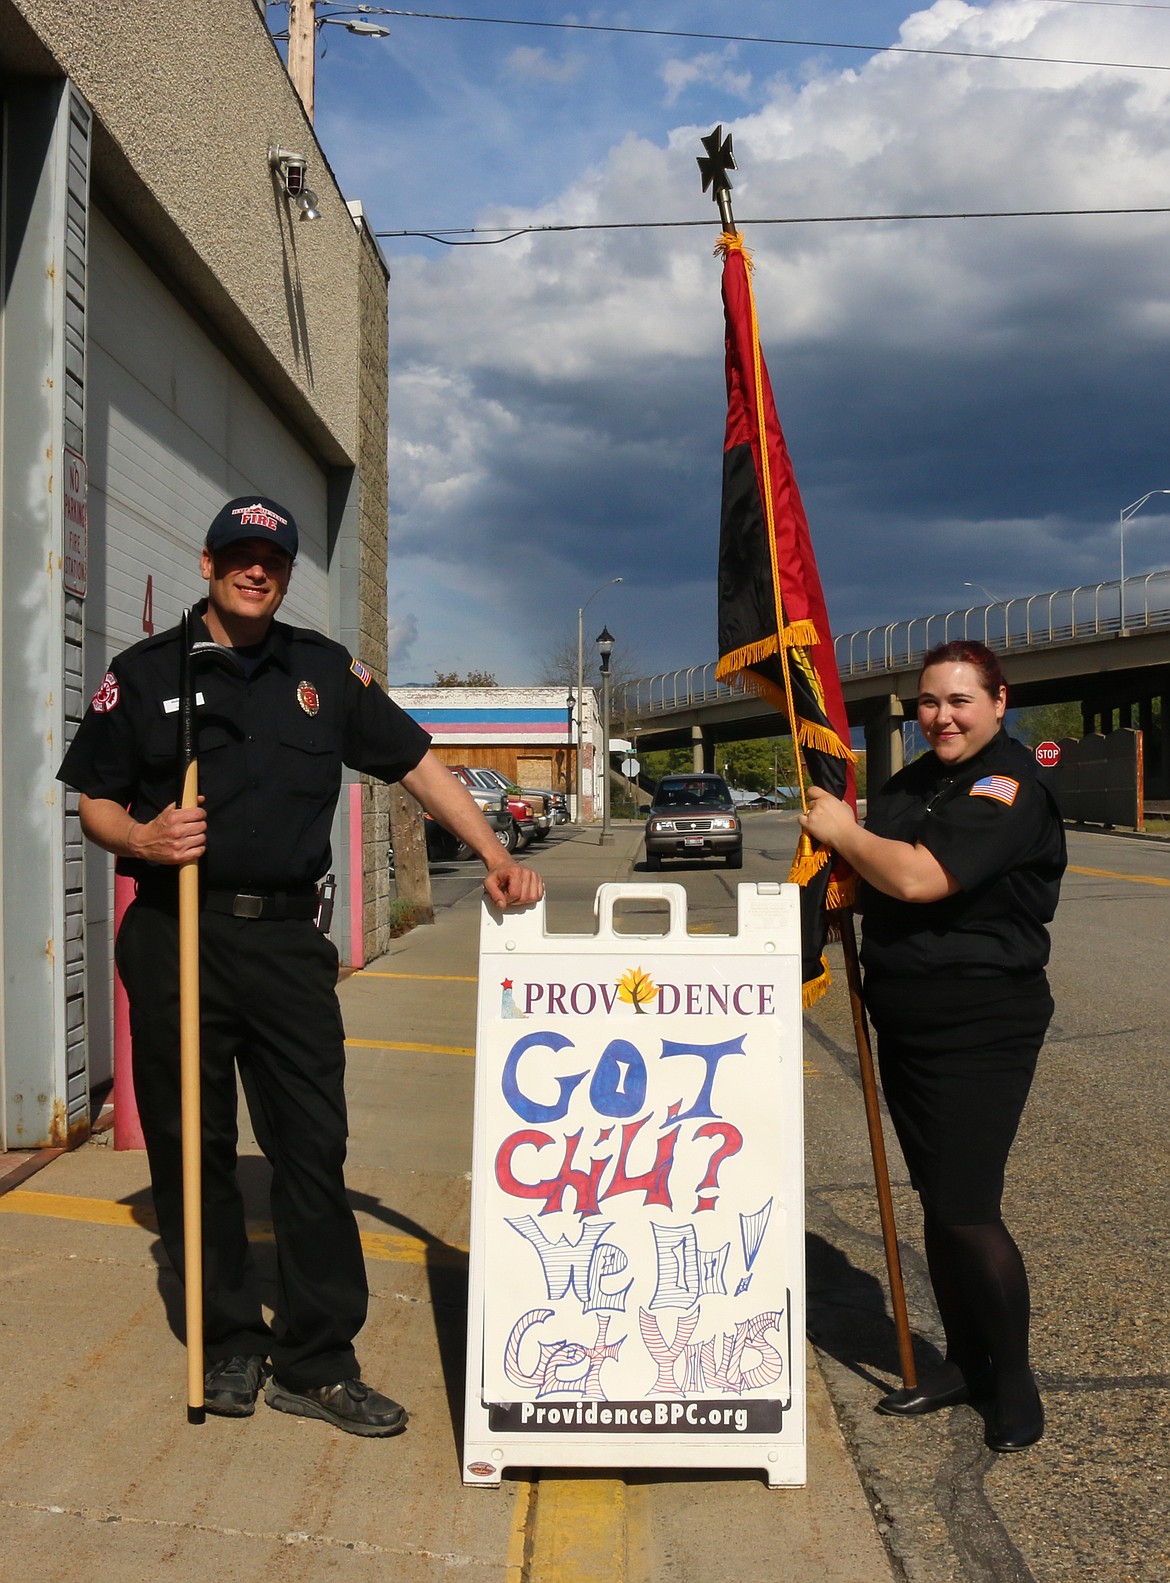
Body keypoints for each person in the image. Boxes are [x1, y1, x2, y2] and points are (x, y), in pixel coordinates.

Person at [57, 495, 543, 1436]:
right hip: (176, 932)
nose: (255, 570)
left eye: (270, 558)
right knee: (192, 1149)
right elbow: (95, 807)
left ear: (283, 570)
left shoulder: (324, 671)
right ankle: (230, 1341)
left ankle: (317, 1358)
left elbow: (418, 764)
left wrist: (491, 853)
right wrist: (147, 838)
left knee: (312, 1147)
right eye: (238, 555)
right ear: (208, 565)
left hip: (284, 941)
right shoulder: (147, 674)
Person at [798, 639, 1065, 1453]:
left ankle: (1012, 1381)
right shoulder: (907, 784)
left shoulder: (1010, 784)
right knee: (937, 1205)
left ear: (998, 701)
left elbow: (917, 878)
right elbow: (878, 879)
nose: (941, 716)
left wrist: (846, 833)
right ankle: (963, 1363)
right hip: (906, 1018)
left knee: (966, 1207)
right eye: (928, 702)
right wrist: (841, 878)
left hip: (983, 1023)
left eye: (959, 700)